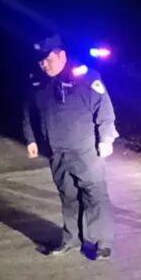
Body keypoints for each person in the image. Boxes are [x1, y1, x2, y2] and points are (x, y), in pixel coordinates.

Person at [22, 34, 118, 260]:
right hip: (57, 153)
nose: (44, 65)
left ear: (62, 55)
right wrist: (31, 139)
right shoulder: (38, 82)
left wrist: (106, 139)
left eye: (48, 60)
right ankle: (71, 238)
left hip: (86, 151)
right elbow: (28, 112)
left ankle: (101, 242)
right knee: (68, 196)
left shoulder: (84, 77)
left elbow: (104, 109)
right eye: (41, 61)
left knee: (94, 196)